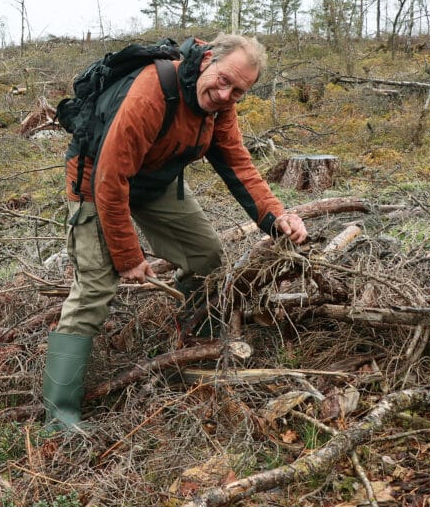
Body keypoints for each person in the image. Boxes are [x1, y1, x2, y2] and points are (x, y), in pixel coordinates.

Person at [42, 33, 308, 433]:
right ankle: (59, 416)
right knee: (96, 287)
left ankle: (192, 343)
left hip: (156, 178)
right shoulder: (150, 93)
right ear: (205, 62)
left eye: (238, 91)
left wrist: (276, 219)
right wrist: (129, 258)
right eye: (223, 81)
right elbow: (111, 181)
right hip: (97, 182)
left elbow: (237, 163)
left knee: (206, 257)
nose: (225, 94)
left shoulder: (220, 108)